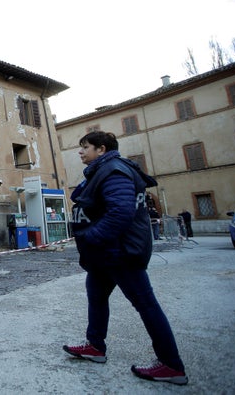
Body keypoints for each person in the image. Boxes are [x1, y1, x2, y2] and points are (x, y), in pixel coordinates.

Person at [62, 131, 188, 385]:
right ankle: (95, 346)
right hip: (105, 256)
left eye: (85, 147)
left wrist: (91, 237)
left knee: (146, 305)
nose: (80, 151)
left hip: (119, 253)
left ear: (101, 149)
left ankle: (171, 365)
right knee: (96, 298)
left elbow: (120, 213)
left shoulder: (114, 171)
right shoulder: (103, 170)